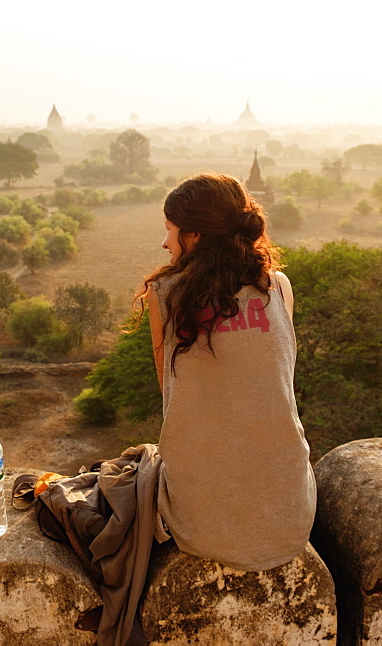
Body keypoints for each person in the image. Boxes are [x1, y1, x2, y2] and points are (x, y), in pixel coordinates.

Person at [135, 173, 316, 571]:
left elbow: (172, 396)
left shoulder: (165, 295)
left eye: (170, 230)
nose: (165, 243)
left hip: (201, 525)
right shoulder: (279, 287)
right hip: (292, 516)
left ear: (195, 235)